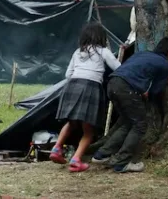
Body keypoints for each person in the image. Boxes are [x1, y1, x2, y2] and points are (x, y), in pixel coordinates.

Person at [92, 36, 168, 173]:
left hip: (112, 84)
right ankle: (121, 162)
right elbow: (154, 92)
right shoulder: (165, 65)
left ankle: (102, 154)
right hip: (126, 89)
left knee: (128, 122)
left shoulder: (143, 54)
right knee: (140, 125)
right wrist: (166, 79)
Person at [50, 22, 119, 173]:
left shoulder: (77, 52)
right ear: (101, 37)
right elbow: (118, 68)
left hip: (72, 86)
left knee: (71, 122)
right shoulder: (103, 51)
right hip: (91, 88)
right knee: (89, 130)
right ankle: (76, 160)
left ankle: (56, 148)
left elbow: (68, 74)